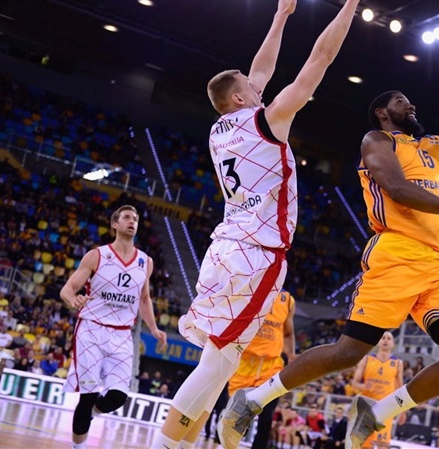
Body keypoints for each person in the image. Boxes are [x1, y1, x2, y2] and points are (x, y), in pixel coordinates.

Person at [221, 37, 439, 449]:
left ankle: (377, 412)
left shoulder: (435, 147)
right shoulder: (377, 141)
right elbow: (397, 189)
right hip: (395, 253)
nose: (411, 106)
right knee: (348, 353)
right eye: (402, 102)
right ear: (381, 112)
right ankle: (254, 399)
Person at [148, 0, 362, 447]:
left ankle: (182, 443)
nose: (258, 85)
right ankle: (163, 444)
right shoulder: (269, 121)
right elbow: (320, 58)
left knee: (221, 361)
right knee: (218, 362)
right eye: (250, 86)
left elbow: (258, 71)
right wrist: (350, 6)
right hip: (256, 255)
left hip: (225, 248)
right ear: (240, 98)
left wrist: (281, 16)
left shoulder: (220, 128)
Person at [60, 205, 168, 449]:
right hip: (91, 329)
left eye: (136, 219)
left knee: (118, 397)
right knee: (88, 395)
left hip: (122, 334)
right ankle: (78, 445)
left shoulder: (146, 262)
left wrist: (153, 328)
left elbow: (144, 299)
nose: (132, 221)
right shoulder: (96, 256)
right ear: (115, 224)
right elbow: (67, 289)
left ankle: (88, 414)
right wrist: (72, 299)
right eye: (127, 217)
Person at [227, 290, 296, 449]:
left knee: (266, 417)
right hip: (244, 364)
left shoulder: (287, 300)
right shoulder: (249, 289)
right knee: (235, 418)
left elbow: (288, 333)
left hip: (271, 366)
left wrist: (291, 355)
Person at [350, 331, 403, 449]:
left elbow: (401, 390)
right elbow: (354, 384)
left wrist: (403, 411)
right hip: (367, 407)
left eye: (389, 338)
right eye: (383, 338)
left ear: (393, 344)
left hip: (386, 408)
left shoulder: (397, 363)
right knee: (362, 445)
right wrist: (363, 386)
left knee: (382, 445)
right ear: (378, 342)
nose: (385, 340)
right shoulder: (366, 359)